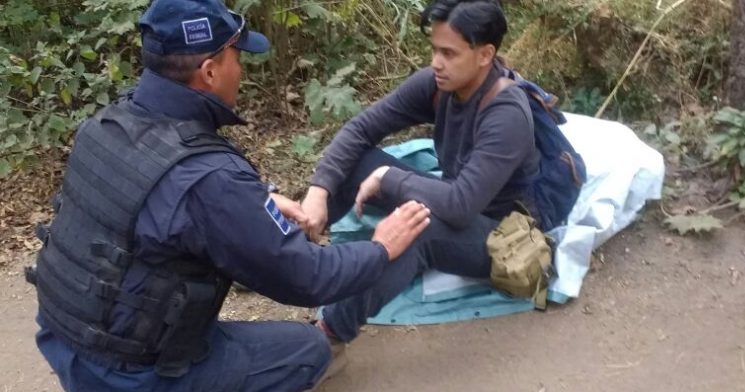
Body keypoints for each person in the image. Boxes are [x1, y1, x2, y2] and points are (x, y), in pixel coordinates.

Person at [26, 0, 431, 391]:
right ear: (209, 71)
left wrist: (260, 198)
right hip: (128, 376)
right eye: (236, 56)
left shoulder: (107, 123)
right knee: (307, 351)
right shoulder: (211, 180)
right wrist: (381, 248)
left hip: (64, 338)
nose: (242, 68)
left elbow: (157, 201)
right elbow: (308, 277)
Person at [302, 0, 547, 343]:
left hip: (501, 233)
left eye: (449, 53)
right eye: (434, 50)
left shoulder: (506, 113)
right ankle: (289, 255)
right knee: (356, 162)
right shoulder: (439, 84)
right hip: (454, 197)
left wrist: (389, 178)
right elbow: (360, 129)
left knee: (414, 225)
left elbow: (461, 206)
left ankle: (327, 338)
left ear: (485, 55)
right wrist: (319, 190)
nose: (436, 63)